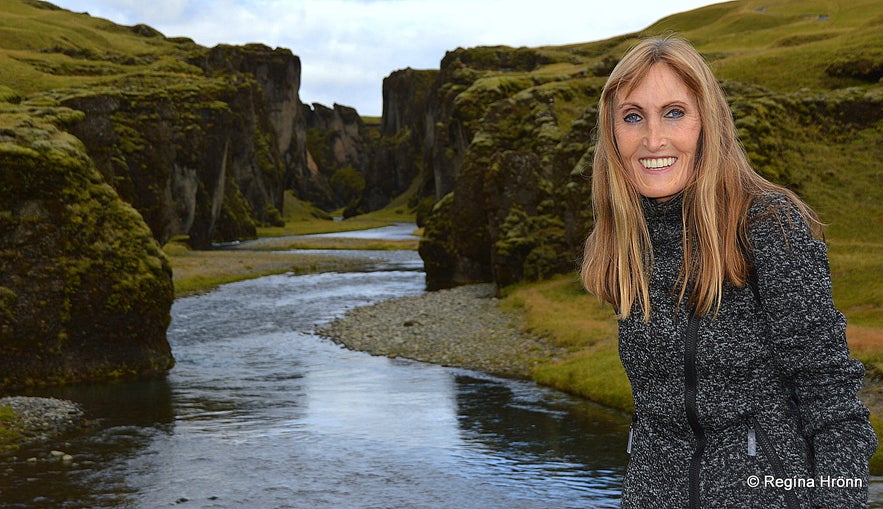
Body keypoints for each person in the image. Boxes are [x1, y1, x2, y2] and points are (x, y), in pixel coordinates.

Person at [580, 35, 877, 509]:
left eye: (674, 112)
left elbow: (833, 404)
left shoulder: (768, 225)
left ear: (706, 122)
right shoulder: (622, 242)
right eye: (633, 116)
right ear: (613, 134)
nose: (653, 139)